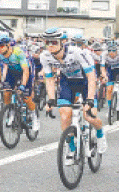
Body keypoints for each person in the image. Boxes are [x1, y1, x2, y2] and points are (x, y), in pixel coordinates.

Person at [40, 28, 106, 156]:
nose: (50, 45)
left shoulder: (76, 53)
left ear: (62, 42)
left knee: (89, 116)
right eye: (47, 42)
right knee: (65, 114)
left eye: (54, 42)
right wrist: (51, 99)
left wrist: (90, 99)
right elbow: (49, 79)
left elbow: (91, 76)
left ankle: (100, 134)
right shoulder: (45, 56)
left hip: (86, 81)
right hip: (68, 82)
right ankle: (71, 147)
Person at [0, 33, 40, 133]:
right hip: (12, 72)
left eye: (1, 46)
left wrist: (23, 85)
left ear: (8, 45)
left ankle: (34, 116)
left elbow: (26, 71)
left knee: (26, 98)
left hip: (25, 71)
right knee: (6, 92)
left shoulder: (18, 52)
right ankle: (11, 110)